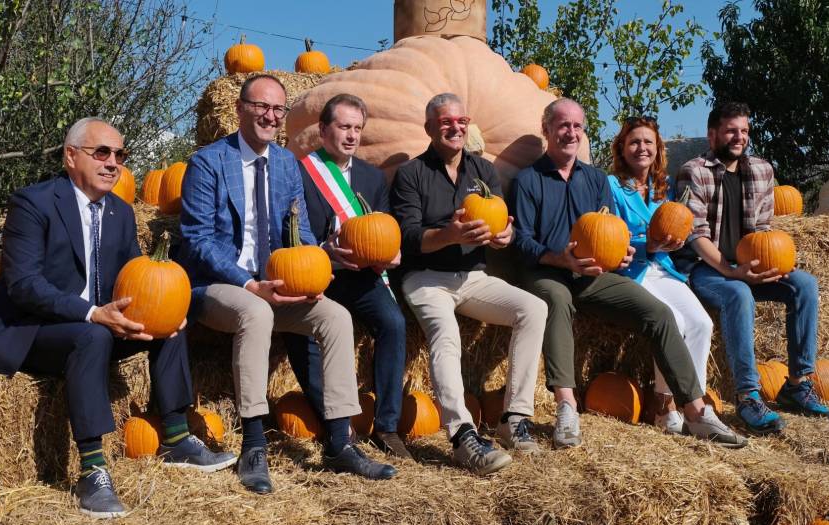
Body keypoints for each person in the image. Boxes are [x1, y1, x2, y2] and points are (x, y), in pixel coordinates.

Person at [0, 117, 237, 519]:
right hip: (33, 330)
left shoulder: (120, 212)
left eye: (119, 155)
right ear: (71, 156)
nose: (113, 163)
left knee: (168, 324)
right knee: (94, 336)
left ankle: (176, 436)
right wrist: (91, 312)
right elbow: (23, 285)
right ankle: (93, 469)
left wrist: (161, 313)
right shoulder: (33, 203)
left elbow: (133, 282)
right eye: (101, 152)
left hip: (95, 324)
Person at [177, 75, 396, 493]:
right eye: (261, 106)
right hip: (221, 286)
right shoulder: (207, 162)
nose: (270, 116)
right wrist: (248, 283)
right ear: (240, 108)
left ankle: (339, 442)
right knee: (256, 311)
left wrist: (314, 267)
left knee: (334, 316)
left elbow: (302, 235)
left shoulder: (284, 164)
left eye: (278, 110)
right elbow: (197, 241)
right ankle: (254, 443)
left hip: (276, 283)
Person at [509, 98, 747, 448]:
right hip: (547, 271)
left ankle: (694, 411)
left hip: (592, 274)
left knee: (660, 314)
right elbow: (521, 242)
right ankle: (566, 406)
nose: (571, 132)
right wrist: (560, 259)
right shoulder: (528, 180)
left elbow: (609, 231)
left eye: (577, 126)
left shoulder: (593, 180)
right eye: (563, 125)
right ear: (546, 130)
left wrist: (620, 255)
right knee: (557, 301)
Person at [390, 93, 548, 475]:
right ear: (429, 128)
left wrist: (503, 236)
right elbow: (407, 238)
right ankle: (463, 435)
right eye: (445, 122)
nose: (454, 128)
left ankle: (514, 418)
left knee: (534, 308)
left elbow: (500, 224)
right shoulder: (411, 174)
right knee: (446, 334)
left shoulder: (483, 172)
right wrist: (450, 235)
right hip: (426, 278)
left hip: (473, 277)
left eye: (460, 121)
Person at [675, 101, 829, 435]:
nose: (739, 137)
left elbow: (763, 229)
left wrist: (774, 264)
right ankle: (748, 395)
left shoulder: (763, 171)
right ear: (713, 133)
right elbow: (694, 234)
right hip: (708, 268)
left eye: (745, 131)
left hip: (749, 265)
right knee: (737, 293)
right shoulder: (694, 171)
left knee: (803, 284)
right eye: (732, 130)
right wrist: (732, 271)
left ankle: (797, 383)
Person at [283, 94, 411, 459]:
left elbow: (385, 227)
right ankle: (336, 423)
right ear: (323, 130)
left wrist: (392, 253)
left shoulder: (372, 176)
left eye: (357, 128)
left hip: (360, 277)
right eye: (344, 127)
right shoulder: (300, 172)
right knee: (298, 334)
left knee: (394, 323)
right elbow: (287, 230)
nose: (352, 135)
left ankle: (387, 427)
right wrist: (324, 252)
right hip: (315, 274)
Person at [608, 115, 728, 436]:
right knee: (673, 321)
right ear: (622, 148)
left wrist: (674, 241)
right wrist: (647, 242)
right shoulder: (612, 186)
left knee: (702, 323)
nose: (641, 148)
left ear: (658, 149)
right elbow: (606, 234)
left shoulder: (664, 189)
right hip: (634, 270)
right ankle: (663, 406)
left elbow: (674, 227)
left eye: (648, 142)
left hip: (664, 269)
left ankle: (696, 406)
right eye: (634, 142)